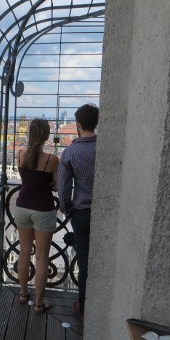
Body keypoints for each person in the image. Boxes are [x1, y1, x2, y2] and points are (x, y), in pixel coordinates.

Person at [57, 103, 99, 319]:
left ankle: (83, 307)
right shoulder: (105, 147)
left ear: (78, 125)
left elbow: (63, 188)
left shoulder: (71, 152)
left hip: (82, 214)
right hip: (105, 214)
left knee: (84, 261)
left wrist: (68, 211)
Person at [15, 118, 59, 313]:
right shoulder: (52, 160)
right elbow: (56, 185)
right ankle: (39, 304)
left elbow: (27, 179)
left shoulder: (21, 155)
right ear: (46, 136)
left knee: (24, 251)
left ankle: (23, 294)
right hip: (43, 208)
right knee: (42, 257)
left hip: (22, 207)